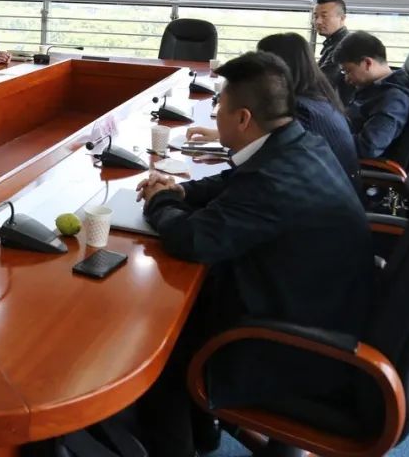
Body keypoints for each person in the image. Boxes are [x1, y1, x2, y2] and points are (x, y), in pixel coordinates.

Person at [134, 52, 373, 457]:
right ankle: (203, 435)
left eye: (219, 108)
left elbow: (194, 240)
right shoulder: (298, 142)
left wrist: (160, 202)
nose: (215, 115)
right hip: (320, 307)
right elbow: (237, 180)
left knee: (157, 348)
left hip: (292, 345)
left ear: (243, 118)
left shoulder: (274, 181)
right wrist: (182, 191)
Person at [188, 32, 359, 186]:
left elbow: (268, 159)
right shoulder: (318, 97)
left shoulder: (300, 109)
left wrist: (228, 150)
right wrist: (221, 135)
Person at [336, 30, 409, 160]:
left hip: (350, 163)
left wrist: (328, 138)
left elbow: (368, 147)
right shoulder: (374, 86)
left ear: (367, 63)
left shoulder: (393, 100)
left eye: (348, 71)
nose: (346, 79)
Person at [312, 0, 355, 104]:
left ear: (342, 18)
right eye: (315, 16)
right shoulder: (333, 42)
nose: (318, 21)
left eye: (324, 16)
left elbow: (324, 83)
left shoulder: (344, 45)